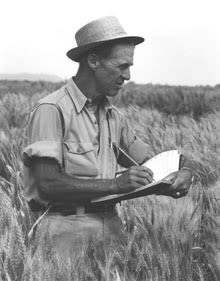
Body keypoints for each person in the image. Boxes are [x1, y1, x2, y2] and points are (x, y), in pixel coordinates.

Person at [23, 16, 192, 256]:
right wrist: (115, 184)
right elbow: (47, 184)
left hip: (112, 229)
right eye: (122, 66)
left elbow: (148, 163)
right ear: (93, 61)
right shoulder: (52, 110)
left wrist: (178, 175)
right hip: (64, 231)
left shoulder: (114, 117)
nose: (128, 76)